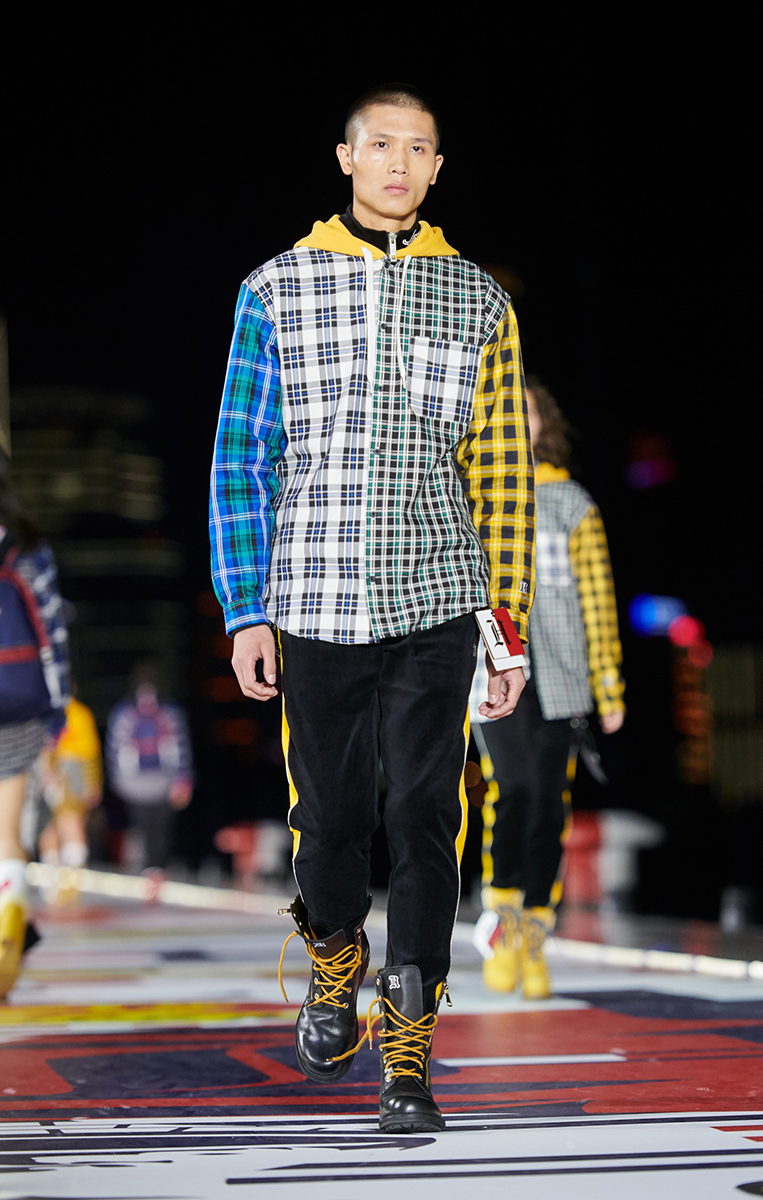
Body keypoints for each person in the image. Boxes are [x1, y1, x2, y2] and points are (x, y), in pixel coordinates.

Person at [209, 84, 535, 1133]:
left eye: (419, 148)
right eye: (380, 144)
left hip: (437, 594)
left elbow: (501, 474)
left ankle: (408, 1053)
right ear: (346, 156)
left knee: (426, 817)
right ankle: (333, 957)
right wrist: (245, 610)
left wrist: (506, 630)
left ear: (437, 168)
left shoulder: (477, 299)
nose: (399, 162)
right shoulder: (275, 287)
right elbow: (241, 459)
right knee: (331, 817)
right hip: (312, 596)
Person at [470, 376, 625, 999]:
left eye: (527, 411)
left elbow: (598, 599)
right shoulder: (474, 492)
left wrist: (609, 687)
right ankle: (502, 918)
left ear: (544, 422)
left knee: (548, 805)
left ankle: (535, 932)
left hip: (563, 672)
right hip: (495, 665)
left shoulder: (572, 503)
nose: (519, 420)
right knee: (513, 789)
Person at [0, 454, 70, 998]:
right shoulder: (27, 548)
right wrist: (58, 704)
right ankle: (7, 944)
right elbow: (52, 630)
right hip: (17, 703)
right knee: (8, 835)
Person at [105, 667, 193, 877]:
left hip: (164, 783)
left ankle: (158, 870)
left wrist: (183, 780)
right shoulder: (124, 714)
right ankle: (145, 870)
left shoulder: (170, 713)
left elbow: (181, 747)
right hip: (135, 785)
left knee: (162, 830)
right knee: (140, 829)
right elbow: (114, 749)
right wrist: (118, 780)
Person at [38, 693, 103, 903]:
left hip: (70, 770)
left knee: (69, 822)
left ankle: (70, 881)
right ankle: (54, 881)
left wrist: (92, 782)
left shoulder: (78, 713)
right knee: (52, 826)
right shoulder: (45, 710)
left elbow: (89, 750)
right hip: (51, 771)